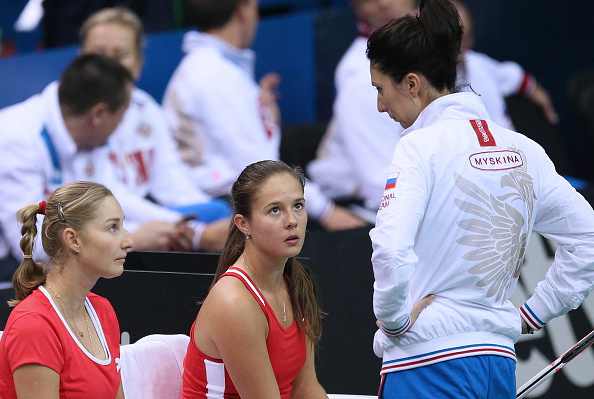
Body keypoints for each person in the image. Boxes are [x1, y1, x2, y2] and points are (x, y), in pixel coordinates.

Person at [366, 1, 594, 398]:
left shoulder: (418, 148)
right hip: (496, 366)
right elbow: (589, 236)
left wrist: (394, 321)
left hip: (426, 367)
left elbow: (390, 248)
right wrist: (536, 313)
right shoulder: (523, 148)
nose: (380, 105)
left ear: (412, 83)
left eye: (380, 90)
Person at [162, 0, 367, 231]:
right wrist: (327, 212)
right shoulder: (215, 76)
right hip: (224, 210)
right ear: (242, 9)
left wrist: (263, 117)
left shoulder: (211, 69)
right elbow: (259, 166)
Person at [79, 7, 230, 254]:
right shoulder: (75, 111)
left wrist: (198, 217)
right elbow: (103, 198)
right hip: (98, 224)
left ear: (138, 64)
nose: (106, 65)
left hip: (147, 215)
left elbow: (171, 179)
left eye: (119, 55)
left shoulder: (145, 107)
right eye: (97, 54)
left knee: (222, 212)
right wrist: (186, 229)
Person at [182, 160, 328, 398]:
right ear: (243, 224)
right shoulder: (234, 302)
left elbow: (306, 388)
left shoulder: (296, 282)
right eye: (275, 210)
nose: (292, 220)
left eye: (298, 206)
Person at [0, 53, 133, 281]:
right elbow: (31, 246)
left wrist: (175, 226)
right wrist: (134, 238)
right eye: (121, 116)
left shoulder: (84, 135)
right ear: (98, 114)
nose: (121, 125)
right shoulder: (15, 140)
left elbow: (115, 200)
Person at [0, 181, 132, 398]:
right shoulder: (34, 325)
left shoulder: (103, 310)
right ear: (73, 240)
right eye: (112, 227)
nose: (128, 241)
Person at [453, 0, 558, 130]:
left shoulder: (479, 65)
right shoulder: (425, 85)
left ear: (470, 43)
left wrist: (544, 101)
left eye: (463, 39)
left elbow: (516, 77)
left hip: (510, 146)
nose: (457, 46)